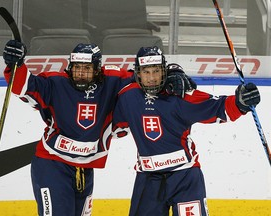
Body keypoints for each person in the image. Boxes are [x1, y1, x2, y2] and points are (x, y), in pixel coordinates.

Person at [2, 40, 196, 216]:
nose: (80, 73)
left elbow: (147, 74)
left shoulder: (112, 80)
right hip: (52, 164)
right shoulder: (56, 82)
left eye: (86, 68)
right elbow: (23, 86)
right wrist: (15, 64)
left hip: (85, 168)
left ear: (97, 69)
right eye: (77, 67)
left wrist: (173, 71)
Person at [112, 46, 261, 216]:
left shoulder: (179, 94)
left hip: (185, 177)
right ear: (137, 73)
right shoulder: (127, 96)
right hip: (148, 178)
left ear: (164, 71)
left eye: (156, 71)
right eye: (146, 72)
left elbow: (217, 107)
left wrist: (240, 103)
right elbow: (113, 124)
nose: (152, 78)